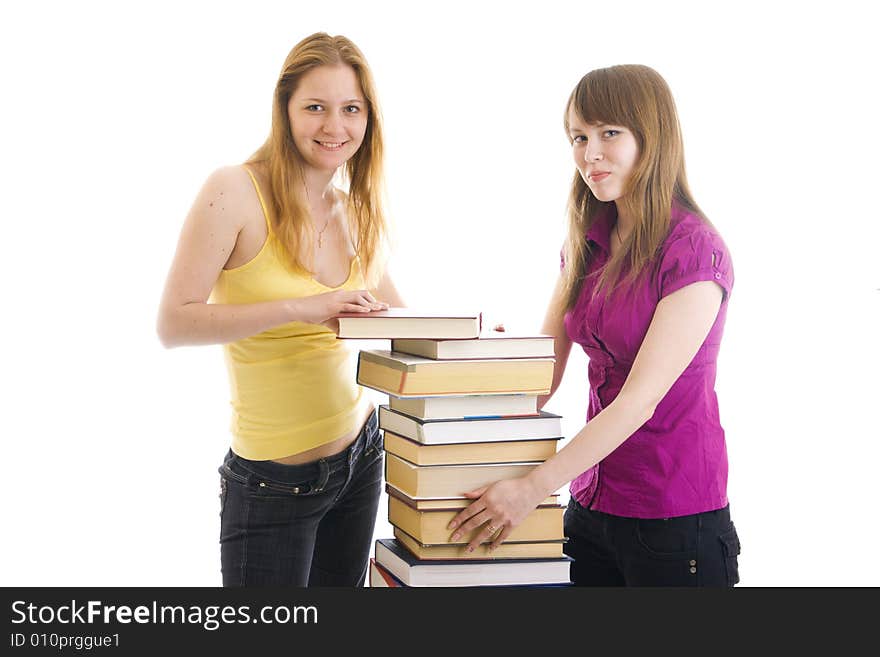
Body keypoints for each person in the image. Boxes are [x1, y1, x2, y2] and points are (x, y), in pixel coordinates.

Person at [448, 65, 741, 586]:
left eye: (610, 134)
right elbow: (544, 371)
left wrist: (532, 488)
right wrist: (492, 366)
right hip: (592, 504)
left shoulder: (693, 250)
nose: (590, 154)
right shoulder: (585, 241)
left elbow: (638, 400)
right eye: (579, 137)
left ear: (652, 138)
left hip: (674, 520)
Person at [156, 32, 404, 586]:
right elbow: (175, 322)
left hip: (362, 456)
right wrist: (300, 307)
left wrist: (478, 342)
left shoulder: (354, 209)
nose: (334, 127)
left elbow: (399, 319)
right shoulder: (235, 191)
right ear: (285, 110)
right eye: (315, 107)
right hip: (273, 482)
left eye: (351, 109)